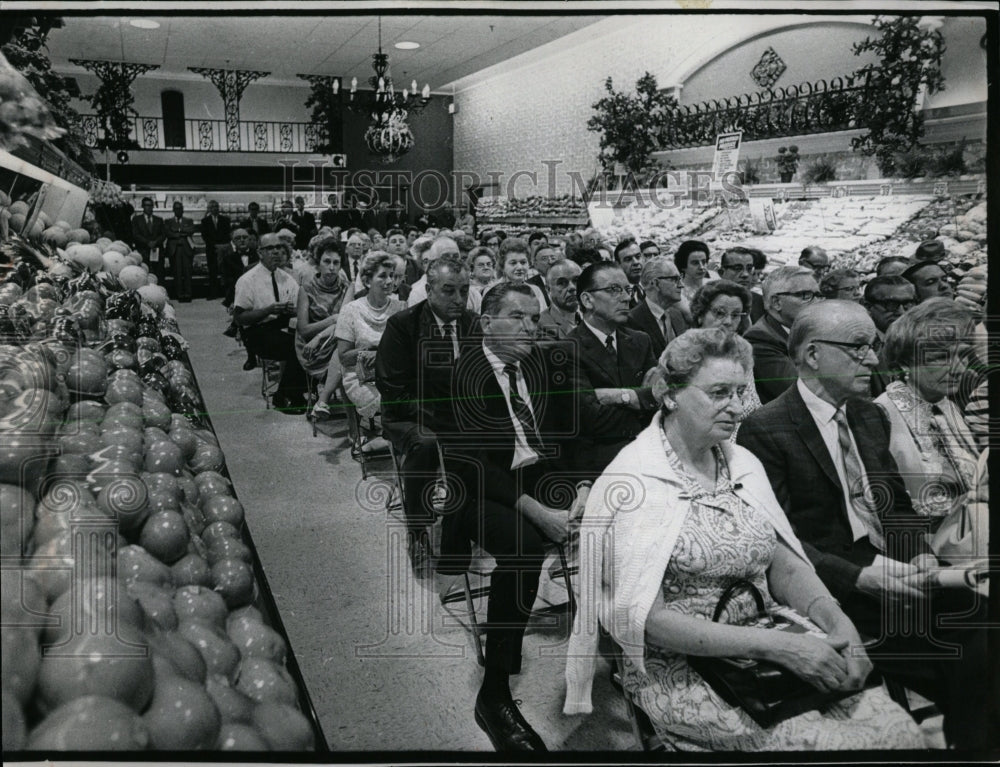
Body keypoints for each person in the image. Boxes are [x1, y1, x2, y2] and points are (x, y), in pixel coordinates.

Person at [565, 328, 925, 752]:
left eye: (741, 392)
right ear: (667, 392)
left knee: (901, 733)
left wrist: (837, 622)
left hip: (773, 632)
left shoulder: (741, 462)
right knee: (838, 747)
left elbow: (784, 562)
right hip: (686, 666)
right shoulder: (632, 483)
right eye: (719, 393)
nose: (737, 408)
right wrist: (778, 647)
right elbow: (649, 621)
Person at [737, 300, 992, 750]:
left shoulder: (866, 415)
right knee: (971, 653)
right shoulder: (766, 428)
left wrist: (921, 555)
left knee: (984, 625)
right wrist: (857, 577)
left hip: (895, 570)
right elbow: (778, 540)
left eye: (872, 347)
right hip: (830, 586)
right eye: (858, 348)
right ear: (813, 355)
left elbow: (896, 510)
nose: (873, 360)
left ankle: (971, 742)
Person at [446, 283, 580, 752]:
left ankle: (634, 653)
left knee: (625, 510)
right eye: (519, 317)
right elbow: (474, 465)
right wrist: (540, 512)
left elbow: (565, 431)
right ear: (487, 323)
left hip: (536, 473)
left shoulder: (538, 364)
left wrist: (580, 487)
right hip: (482, 488)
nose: (531, 327)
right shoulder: (459, 373)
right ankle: (495, 691)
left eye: (534, 318)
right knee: (522, 549)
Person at [376, 255, 479, 572]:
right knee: (426, 443)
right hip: (409, 416)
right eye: (449, 291)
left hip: (456, 416)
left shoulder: (472, 323)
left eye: (464, 291)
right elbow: (394, 391)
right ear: (429, 289)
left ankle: (472, 524)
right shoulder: (403, 325)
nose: (458, 300)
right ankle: (418, 529)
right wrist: (451, 416)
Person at [874, 299, 980, 528]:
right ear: (904, 362)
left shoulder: (947, 405)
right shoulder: (881, 413)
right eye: (941, 357)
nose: (959, 369)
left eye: (963, 355)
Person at [569, 262, 658, 477]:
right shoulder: (567, 349)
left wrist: (619, 396)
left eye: (627, 290)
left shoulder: (640, 341)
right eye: (614, 290)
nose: (626, 298)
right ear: (587, 300)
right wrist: (641, 399)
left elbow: (661, 396)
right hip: (599, 464)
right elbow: (589, 419)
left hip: (649, 451)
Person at [336, 253, 407, 446]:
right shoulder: (351, 310)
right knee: (399, 403)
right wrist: (375, 353)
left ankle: (406, 444)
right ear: (367, 281)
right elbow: (344, 357)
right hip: (361, 377)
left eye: (392, 275)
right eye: (383, 276)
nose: (390, 281)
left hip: (395, 376)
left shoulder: (402, 308)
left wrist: (378, 352)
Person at [232, 233, 307, 410]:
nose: (275, 252)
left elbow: (299, 306)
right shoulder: (247, 280)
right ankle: (285, 396)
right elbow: (239, 318)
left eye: (279, 248)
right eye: (270, 249)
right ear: (260, 252)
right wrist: (269, 310)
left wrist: (292, 310)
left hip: (283, 325)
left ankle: (295, 391)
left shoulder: (286, 278)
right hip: (256, 331)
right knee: (295, 347)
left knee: (310, 343)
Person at [690, 279, 762, 434]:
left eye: (736, 315)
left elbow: (754, 404)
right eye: (720, 313)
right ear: (700, 314)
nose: (728, 322)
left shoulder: (741, 349)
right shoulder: (684, 352)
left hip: (745, 432)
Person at [744, 265, 819, 404]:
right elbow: (803, 391)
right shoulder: (760, 339)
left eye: (817, 295)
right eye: (806, 296)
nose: (817, 303)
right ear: (777, 302)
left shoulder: (806, 329)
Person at [295, 236, 349, 419]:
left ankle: (324, 402)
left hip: (338, 343)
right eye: (327, 261)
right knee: (346, 358)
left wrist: (337, 323)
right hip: (313, 348)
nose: (332, 267)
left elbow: (346, 325)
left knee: (345, 350)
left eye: (336, 262)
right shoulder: (306, 289)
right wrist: (332, 320)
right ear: (318, 264)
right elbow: (303, 330)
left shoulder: (347, 288)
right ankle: (354, 430)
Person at [860, 275, 917, 398]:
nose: (902, 311)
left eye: (908, 303)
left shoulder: (919, 340)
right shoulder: (860, 346)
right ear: (867, 306)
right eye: (891, 304)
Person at [626, 256, 688, 359]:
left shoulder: (677, 315)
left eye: (680, 278)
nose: (681, 285)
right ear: (654, 283)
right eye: (675, 279)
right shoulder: (632, 321)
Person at [484, 238, 547, 311]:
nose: (520, 267)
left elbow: (542, 318)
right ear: (502, 266)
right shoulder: (492, 289)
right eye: (513, 263)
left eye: (523, 262)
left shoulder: (535, 290)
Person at [717, 246, 766, 332]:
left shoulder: (759, 301)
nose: (745, 274)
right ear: (721, 272)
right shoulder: (711, 301)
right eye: (737, 268)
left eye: (749, 268)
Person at [535, 258, 582, 341]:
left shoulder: (591, 317)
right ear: (548, 289)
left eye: (576, 280)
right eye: (562, 283)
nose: (572, 287)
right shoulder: (541, 326)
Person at [163, 201, 196, 302]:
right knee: (177, 273)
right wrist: (182, 233)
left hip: (186, 249)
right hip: (174, 250)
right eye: (176, 208)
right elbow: (168, 233)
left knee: (187, 272)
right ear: (173, 210)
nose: (178, 210)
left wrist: (176, 232)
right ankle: (180, 294)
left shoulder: (189, 220)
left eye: (180, 208)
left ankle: (188, 294)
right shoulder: (168, 221)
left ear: (183, 210)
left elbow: (191, 230)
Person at [200, 200, 231, 299]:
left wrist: (221, 246)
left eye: (216, 206)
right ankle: (213, 293)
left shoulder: (225, 220)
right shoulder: (205, 221)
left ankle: (226, 293)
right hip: (211, 249)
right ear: (209, 209)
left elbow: (228, 234)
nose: (214, 208)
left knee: (225, 271)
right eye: (212, 207)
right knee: (212, 272)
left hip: (224, 249)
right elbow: (205, 236)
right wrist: (214, 245)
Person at [130, 197, 166, 283]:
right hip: (143, 251)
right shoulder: (136, 220)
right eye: (147, 205)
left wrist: (155, 242)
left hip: (157, 251)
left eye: (151, 205)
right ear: (143, 206)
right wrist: (147, 242)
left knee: (158, 274)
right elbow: (135, 234)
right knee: (144, 273)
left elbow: (163, 234)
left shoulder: (159, 220)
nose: (149, 207)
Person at [674, 240, 709, 313]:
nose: (702, 267)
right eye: (695, 263)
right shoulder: (678, 291)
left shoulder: (713, 283)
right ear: (683, 265)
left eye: (704, 262)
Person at [613, 238, 644, 306]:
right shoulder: (615, 295)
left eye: (638, 257)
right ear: (618, 265)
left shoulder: (654, 288)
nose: (636, 262)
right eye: (628, 259)